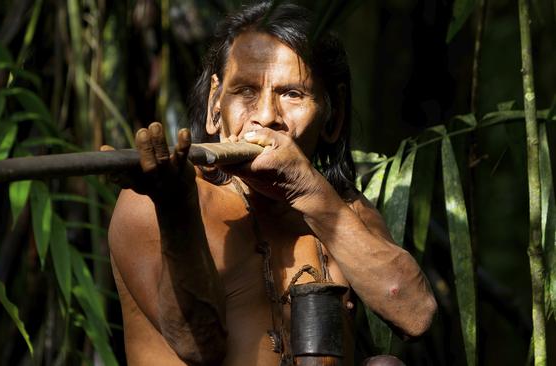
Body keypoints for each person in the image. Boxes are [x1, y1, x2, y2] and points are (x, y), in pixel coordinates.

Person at [107, 2, 437, 365]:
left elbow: (415, 314)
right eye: (246, 91)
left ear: (334, 116)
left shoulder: (341, 210)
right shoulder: (157, 200)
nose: (266, 117)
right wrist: (174, 208)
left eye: (292, 94)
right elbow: (198, 346)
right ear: (215, 106)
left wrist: (307, 190)